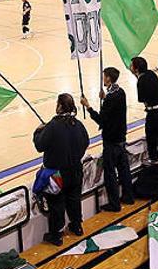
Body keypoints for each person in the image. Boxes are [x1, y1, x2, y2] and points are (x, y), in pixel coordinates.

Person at [34, 94, 90, 246]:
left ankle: (56, 235)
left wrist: (38, 132)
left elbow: (40, 145)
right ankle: (77, 226)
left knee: (56, 204)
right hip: (76, 170)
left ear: (59, 106)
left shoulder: (53, 125)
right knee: (74, 199)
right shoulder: (77, 123)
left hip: (57, 174)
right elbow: (86, 141)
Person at [81, 67, 134, 213]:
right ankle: (129, 196)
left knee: (110, 173)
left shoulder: (111, 98)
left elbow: (102, 121)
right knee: (124, 170)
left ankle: (114, 204)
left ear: (109, 78)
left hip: (111, 141)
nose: (102, 79)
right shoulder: (120, 92)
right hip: (121, 137)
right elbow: (115, 110)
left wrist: (89, 107)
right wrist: (105, 99)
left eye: (104, 77)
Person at [130, 57, 158, 163]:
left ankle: (153, 158)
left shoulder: (141, 81)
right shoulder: (151, 73)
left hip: (153, 111)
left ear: (136, 69)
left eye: (132, 66)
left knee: (151, 135)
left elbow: (141, 99)